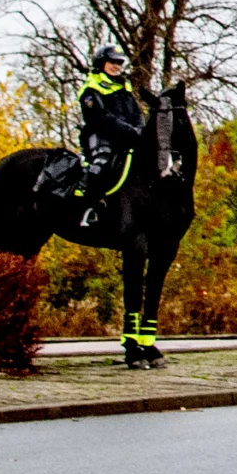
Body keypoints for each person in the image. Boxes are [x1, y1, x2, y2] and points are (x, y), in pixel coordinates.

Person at [74, 45, 166, 370]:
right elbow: (99, 118)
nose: (116, 67)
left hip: (128, 139)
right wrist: (130, 131)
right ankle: (88, 204)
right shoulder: (92, 88)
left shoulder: (125, 87)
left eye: (119, 64)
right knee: (99, 165)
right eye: (112, 63)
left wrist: (141, 130)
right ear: (101, 64)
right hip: (100, 138)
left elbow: (134, 113)